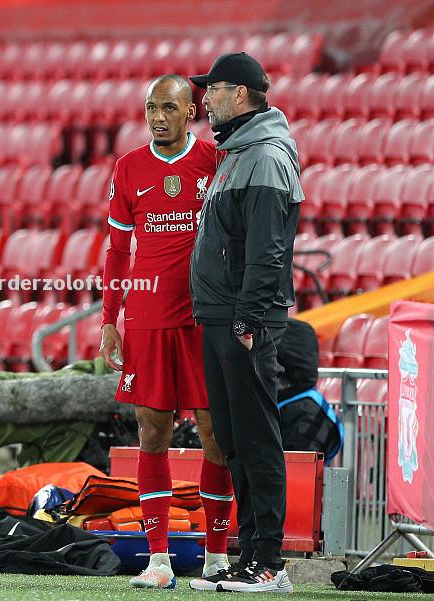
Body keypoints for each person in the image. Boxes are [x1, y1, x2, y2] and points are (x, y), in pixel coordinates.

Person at [100, 75, 234, 590]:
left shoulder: (214, 163)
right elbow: (116, 253)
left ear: (191, 111)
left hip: (205, 317)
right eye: (151, 107)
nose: (159, 117)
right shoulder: (128, 168)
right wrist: (110, 319)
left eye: (169, 108)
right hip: (149, 320)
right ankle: (159, 560)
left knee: (214, 436)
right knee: (150, 433)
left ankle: (217, 558)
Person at [188, 52, 303, 594]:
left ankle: (271, 562)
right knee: (234, 441)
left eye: (211, 89)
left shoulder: (264, 156)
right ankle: (251, 554)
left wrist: (249, 319)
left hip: (243, 319)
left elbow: (268, 250)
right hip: (220, 315)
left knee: (257, 439)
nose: (203, 99)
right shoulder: (236, 153)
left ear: (240, 94)